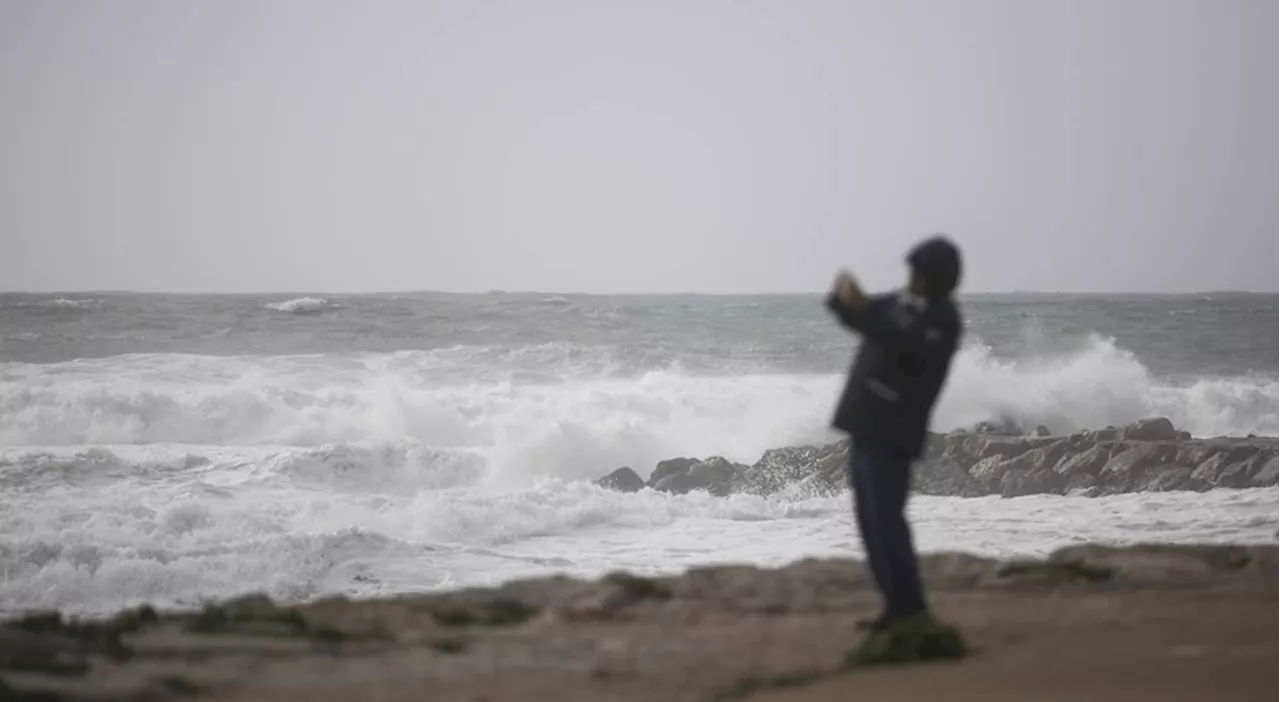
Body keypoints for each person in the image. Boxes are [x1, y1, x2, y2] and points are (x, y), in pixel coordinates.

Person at [825, 235, 964, 632]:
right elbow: (864, 319)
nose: (912, 279)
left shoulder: (941, 320)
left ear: (934, 279)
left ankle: (911, 607)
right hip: (865, 424)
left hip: (892, 433)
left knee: (887, 521)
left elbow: (902, 340)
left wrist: (865, 307)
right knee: (870, 521)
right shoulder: (903, 304)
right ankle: (894, 606)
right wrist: (843, 298)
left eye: (919, 274)